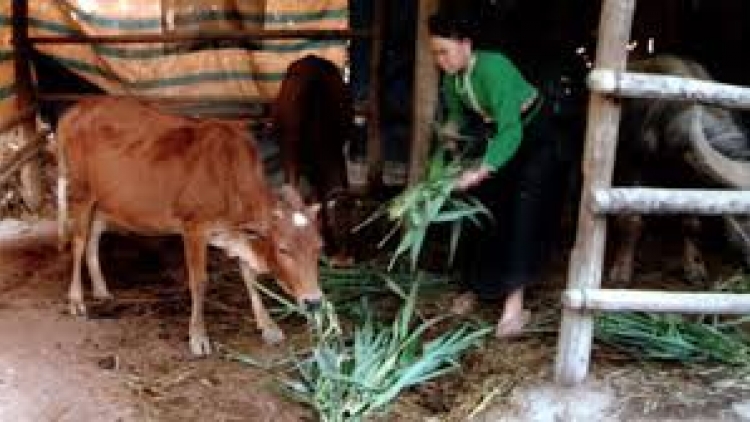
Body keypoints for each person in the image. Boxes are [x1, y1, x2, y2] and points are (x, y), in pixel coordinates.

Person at [428, 12, 567, 338]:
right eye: (434, 53)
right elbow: (458, 118)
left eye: (444, 51)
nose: (440, 60)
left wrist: (481, 169)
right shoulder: (453, 78)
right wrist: (448, 138)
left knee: (523, 210)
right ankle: (477, 288)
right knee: (484, 208)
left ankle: (514, 304)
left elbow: (511, 130)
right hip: (501, 142)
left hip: (535, 139)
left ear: (465, 44)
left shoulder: (494, 68)